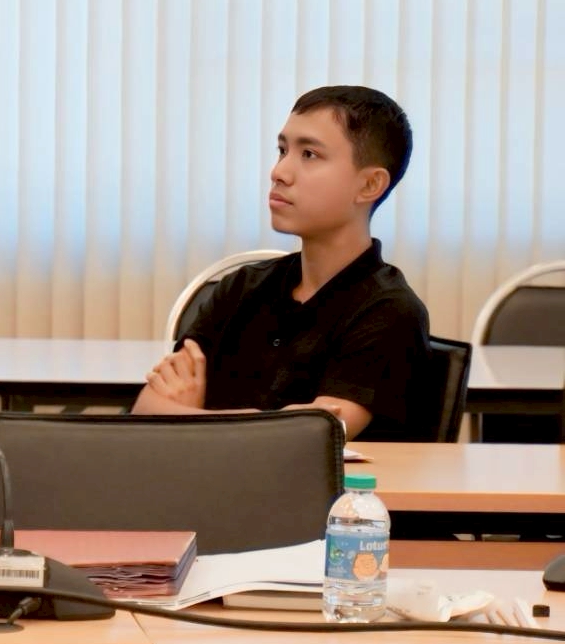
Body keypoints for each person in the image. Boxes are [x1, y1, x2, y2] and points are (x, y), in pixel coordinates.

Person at [132, 85, 430, 441]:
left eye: (309, 154)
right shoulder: (240, 287)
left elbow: (306, 437)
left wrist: (189, 417)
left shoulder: (390, 311)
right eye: (282, 150)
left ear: (369, 185)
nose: (279, 172)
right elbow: (146, 409)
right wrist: (264, 422)